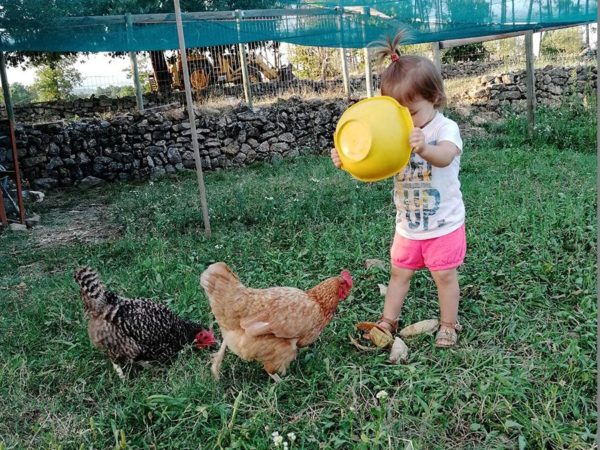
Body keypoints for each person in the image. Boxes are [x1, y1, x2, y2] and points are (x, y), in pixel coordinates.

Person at [331, 33, 466, 347]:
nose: (407, 122)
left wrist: (424, 148)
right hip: (408, 227)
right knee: (398, 275)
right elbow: (372, 165)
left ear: (434, 98)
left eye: (413, 113)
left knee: (444, 276)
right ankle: (387, 322)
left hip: (443, 224)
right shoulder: (393, 132)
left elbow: (445, 157)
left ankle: (448, 324)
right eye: (398, 113)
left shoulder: (445, 129)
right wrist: (347, 160)